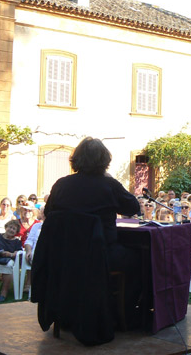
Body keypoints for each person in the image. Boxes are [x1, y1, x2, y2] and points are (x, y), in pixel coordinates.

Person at [32, 137, 141, 345]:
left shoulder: (61, 185)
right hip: (100, 256)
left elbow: (50, 214)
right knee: (140, 259)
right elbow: (132, 208)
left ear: (76, 160)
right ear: (104, 161)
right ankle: (124, 316)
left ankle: (69, 314)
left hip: (65, 257)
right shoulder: (108, 185)